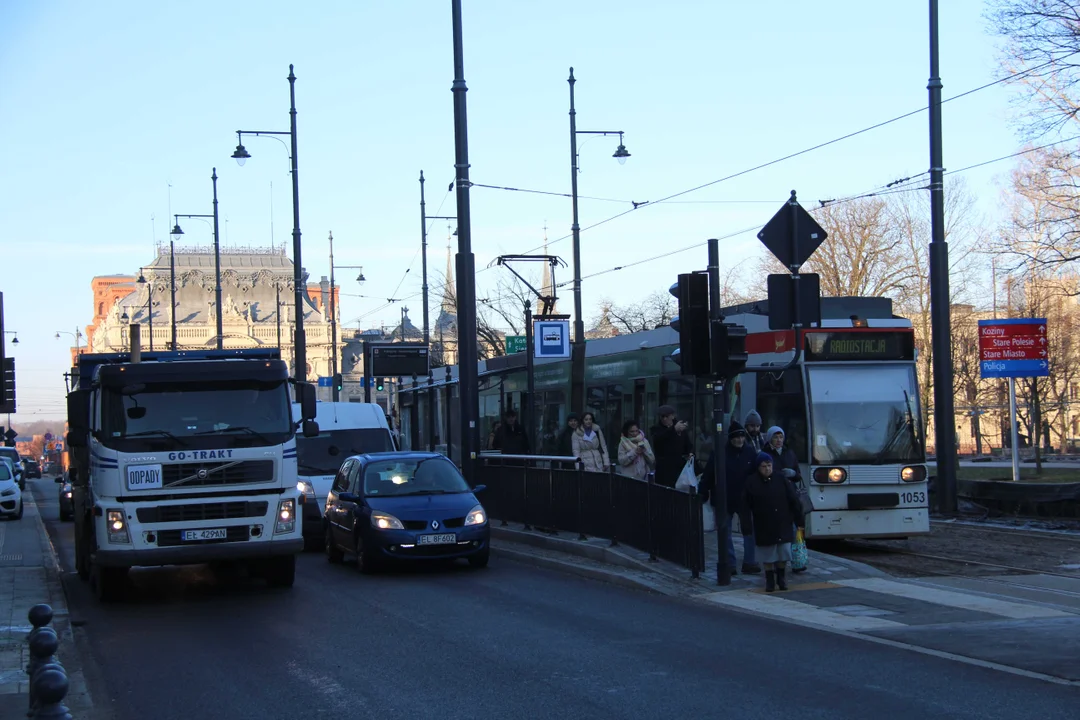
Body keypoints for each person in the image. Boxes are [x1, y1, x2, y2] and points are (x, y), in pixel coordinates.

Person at [699, 421, 761, 578]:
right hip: (724, 498)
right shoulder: (720, 453)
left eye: (741, 436)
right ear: (730, 438)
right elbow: (708, 474)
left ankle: (749, 562)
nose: (739, 440)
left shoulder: (750, 452)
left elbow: (756, 474)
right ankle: (730, 564)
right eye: (736, 437)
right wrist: (703, 491)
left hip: (744, 498)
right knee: (725, 532)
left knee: (749, 531)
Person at [742, 452, 804, 592]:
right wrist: (746, 526)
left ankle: (781, 578)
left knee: (783, 552)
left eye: (769, 465)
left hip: (783, 521)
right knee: (768, 553)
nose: (767, 469)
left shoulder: (780, 479)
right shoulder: (751, 482)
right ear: (758, 467)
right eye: (764, 466)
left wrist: (799, 518)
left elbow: (793, 499)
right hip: (763, 523)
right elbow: (745, 506)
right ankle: (769, 580)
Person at [651, 405, 692, 487]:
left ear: (672, 416)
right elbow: (658, 440)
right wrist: (673, 430)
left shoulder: (680, 429)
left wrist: (690, 453)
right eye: (662, 417)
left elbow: (688, 444)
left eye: (667, 416)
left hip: (678, 468)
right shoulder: (656, 429)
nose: (664, 419)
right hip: (664, 470)